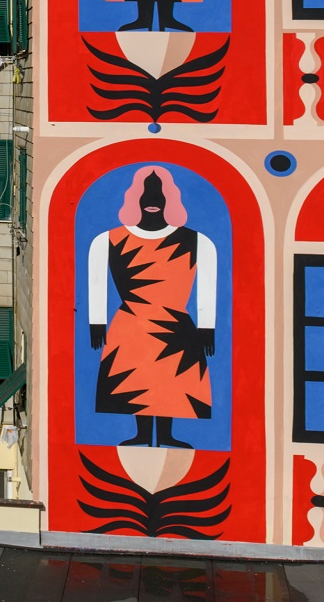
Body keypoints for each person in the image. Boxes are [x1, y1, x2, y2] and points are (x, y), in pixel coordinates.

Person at [87, 166, 218, 448]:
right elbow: (96, 281)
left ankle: (167, 435)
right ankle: (143, 435)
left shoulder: (197, 241)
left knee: (171, 378)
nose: (152, 198)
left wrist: (207, 327)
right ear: (134, 198)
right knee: (136, 376)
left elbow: (208, 284)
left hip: (175, 323)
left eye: (159, 192)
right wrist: (96, 322)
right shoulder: (107, 241)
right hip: (131, 322)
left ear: (171, 199)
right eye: (146, 191)